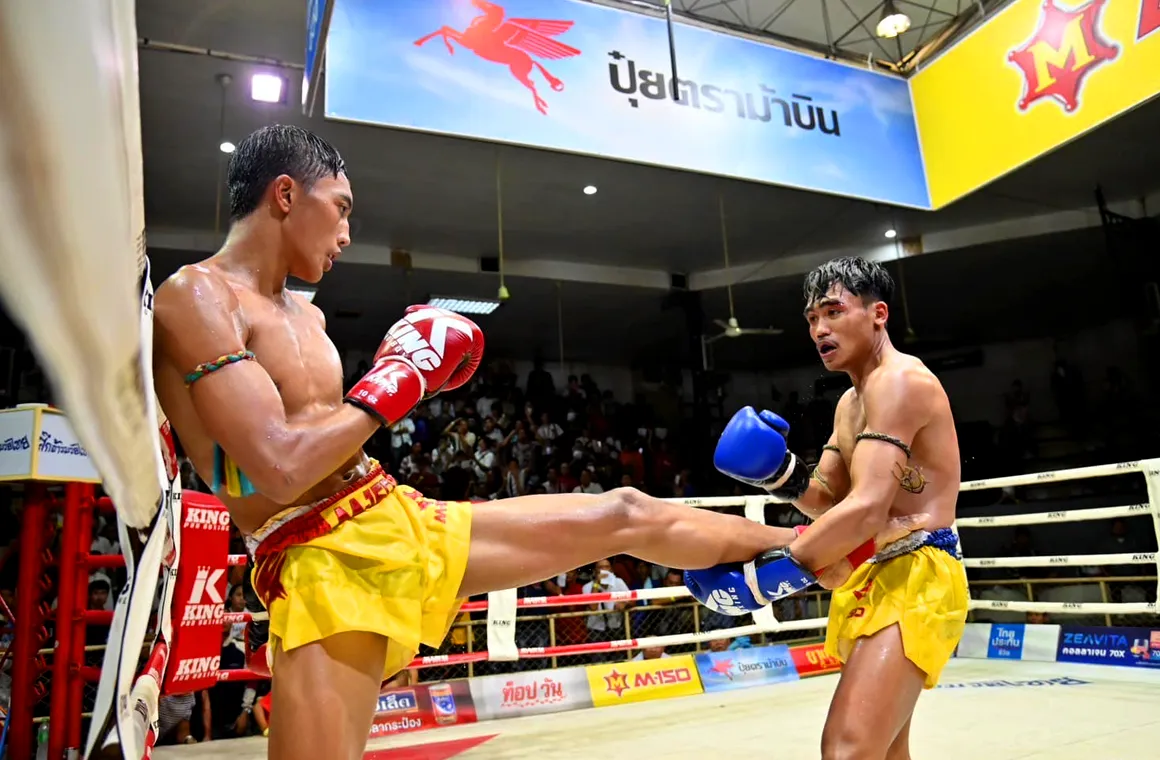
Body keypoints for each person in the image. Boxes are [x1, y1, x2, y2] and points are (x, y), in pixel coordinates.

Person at [151, 126, 923, 760]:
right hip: (318, 554)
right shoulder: (197, 297)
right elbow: (278, 466)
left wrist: (387, 391)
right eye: (341, 208)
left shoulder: (311, 319)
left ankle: (829, 552)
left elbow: (329, 436)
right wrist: (392, 387)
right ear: (286, 195)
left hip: (388, 510)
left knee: (623, 510)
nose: (349, 233)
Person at [690, 256, 967, 760]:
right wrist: (779, 473)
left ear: (878, 313)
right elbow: (826, 498)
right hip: (873, 567)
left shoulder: (901, 381)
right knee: (882, 751)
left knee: (847, 748)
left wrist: (770, 577)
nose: (819, 328)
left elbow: (864, 509)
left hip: (917, 572)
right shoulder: (849, 402)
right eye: (812, 319)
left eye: (833, 312)